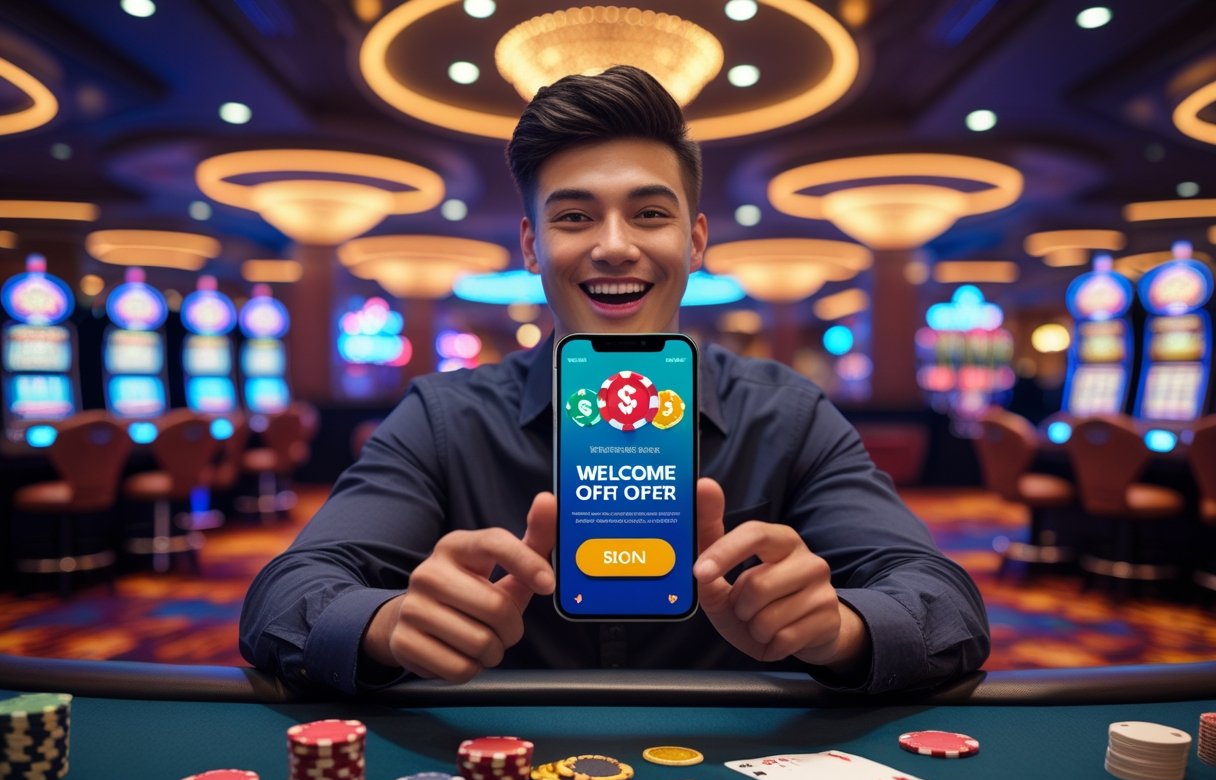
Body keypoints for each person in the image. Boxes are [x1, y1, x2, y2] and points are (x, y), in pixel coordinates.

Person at [239, 66, 989, 696]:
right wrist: (386, 625)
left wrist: (841, 630)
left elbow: (943, 602)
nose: (614, 246)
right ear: (532, 246)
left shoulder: (787, 415)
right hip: (501, 770)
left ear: (695, 241)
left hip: (731, 766)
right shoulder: (444, 416)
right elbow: (287, 592)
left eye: (650, 213)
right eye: (574, 217)